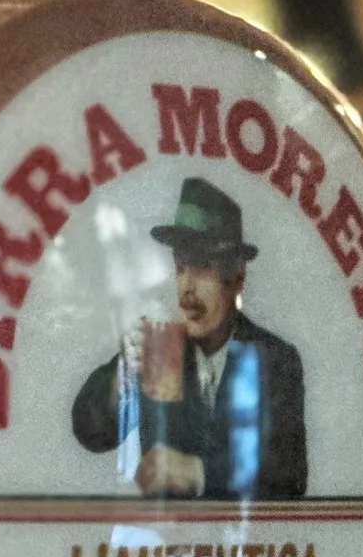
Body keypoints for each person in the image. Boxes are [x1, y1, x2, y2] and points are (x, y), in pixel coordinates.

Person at [71, 177, 308, 499]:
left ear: (237, 278)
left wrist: (197, 472)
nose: (186, 289)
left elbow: (288, 476)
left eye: (202, 268)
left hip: (243, 548)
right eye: (181, 268)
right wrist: (124, 375)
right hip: (164, 547)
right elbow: (90, 431)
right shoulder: (162, 348)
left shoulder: (274, 359)